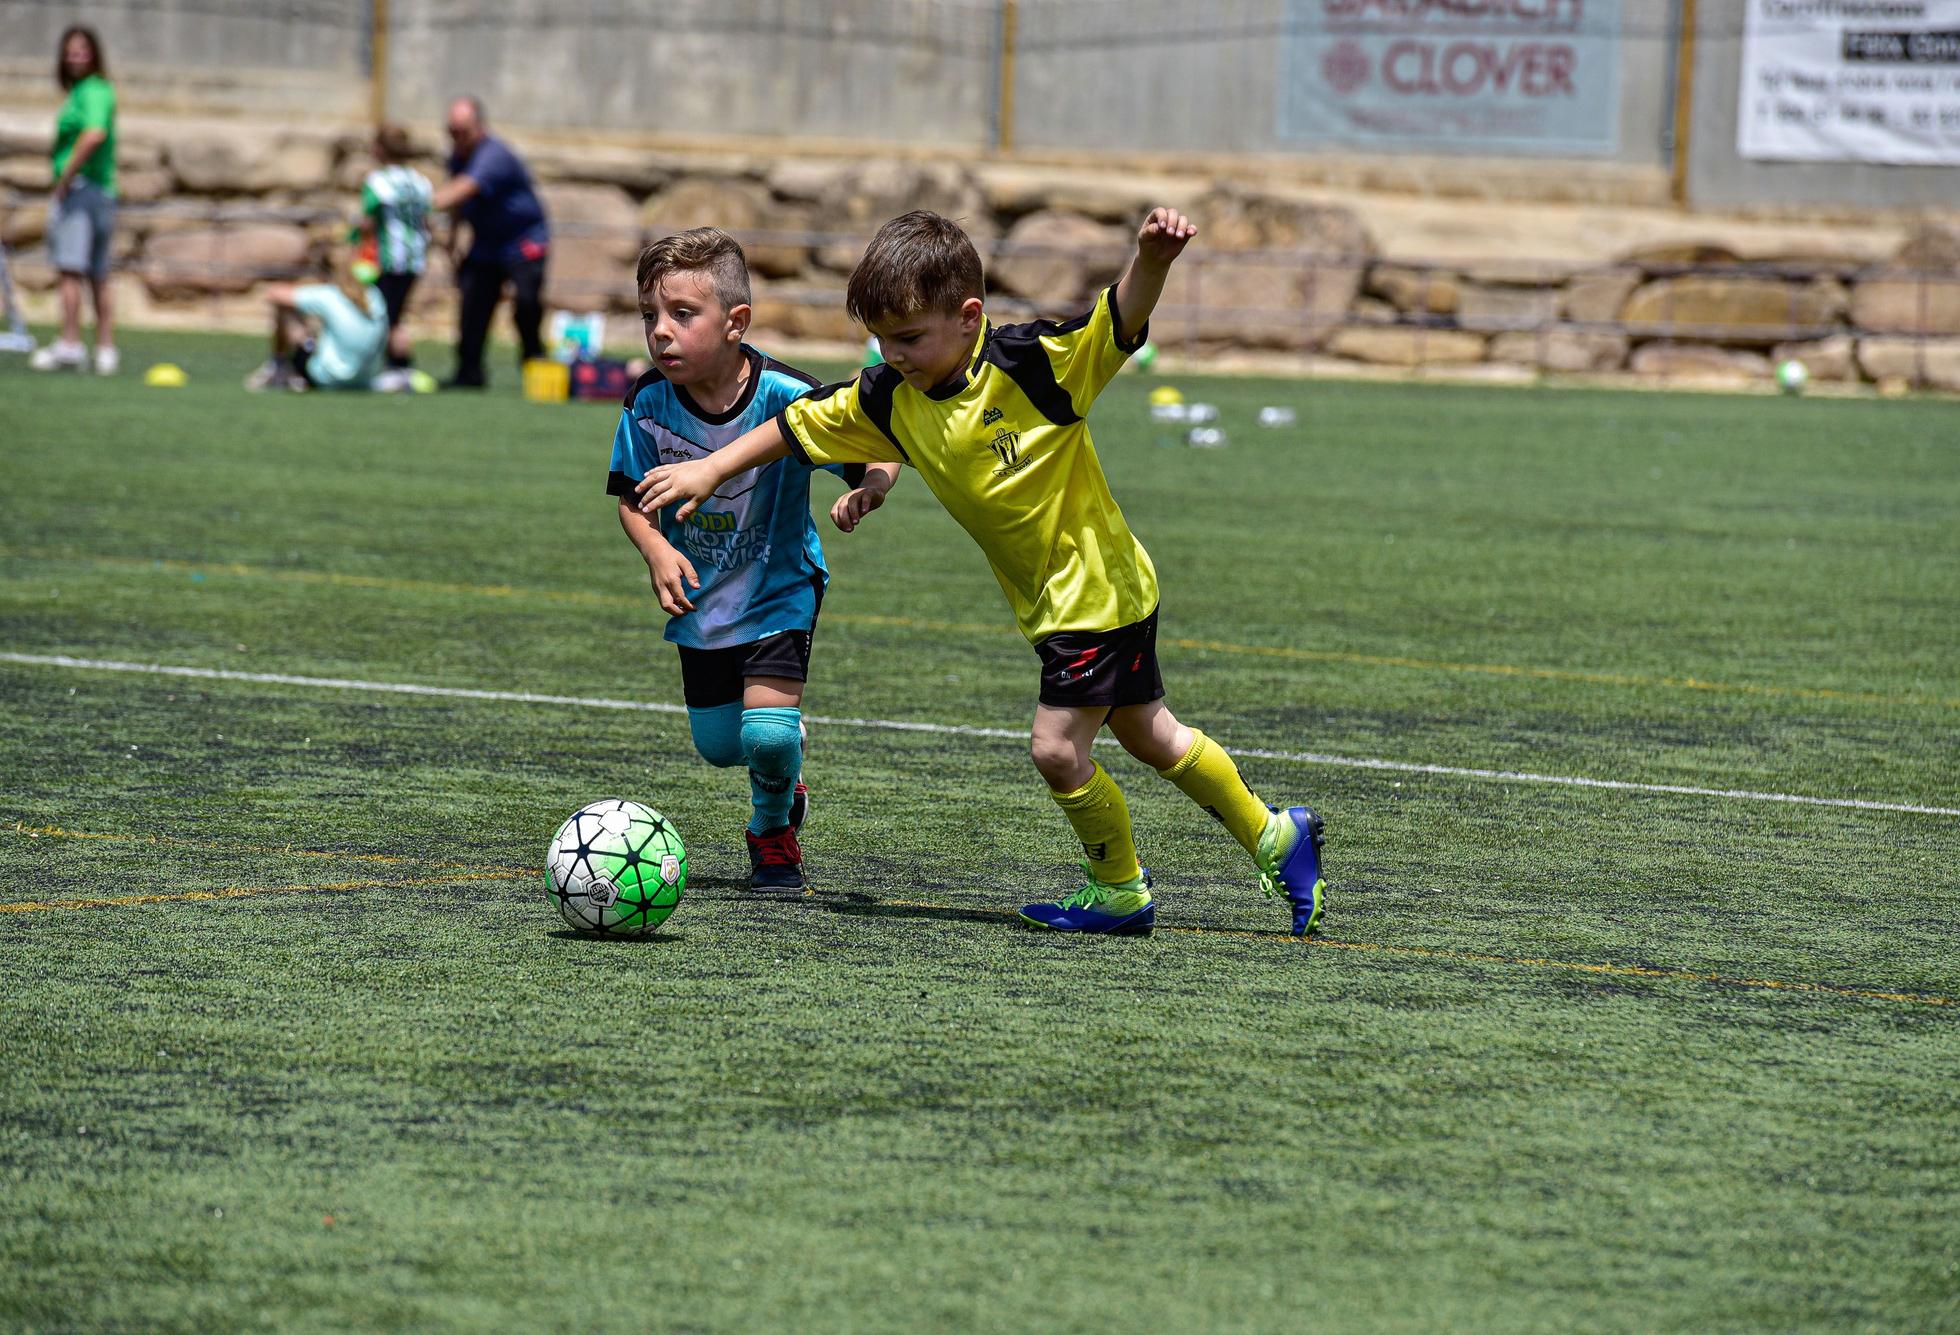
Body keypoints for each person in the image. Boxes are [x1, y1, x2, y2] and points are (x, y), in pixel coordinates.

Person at [634, 208, 1329, 937]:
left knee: (1057, 749)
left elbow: (1118, 319)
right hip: (1082, 595)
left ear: (969, 316)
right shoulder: (889, 397)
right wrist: (711, 469)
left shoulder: (1035, 365)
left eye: (909, 337)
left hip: (1091, 594)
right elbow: (796, 425)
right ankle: (1278, 837)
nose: (894, 354)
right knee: (1152, 734)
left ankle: (1121, 891)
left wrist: (1152, 258)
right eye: (882, 339)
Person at [609, 227, 900, 889]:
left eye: (682, 314)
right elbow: (631, 499)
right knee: (720, 746)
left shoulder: (786, 396)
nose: (660, 332)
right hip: (702, 596)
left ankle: (771, 831)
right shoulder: (647, 405)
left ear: (736, 322)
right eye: (650, 316)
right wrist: (656, 548)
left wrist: (871, 488)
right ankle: (785, 769)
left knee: (765, 734)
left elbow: (882, 445)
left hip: (779, 588)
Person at [432, 96, 548, 389]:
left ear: (478, 127)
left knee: (526, 304)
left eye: (462, 130)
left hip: (523, 240)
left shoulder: (493, 154)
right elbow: (460, 205)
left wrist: (417, 203)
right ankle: (468, 373)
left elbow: (463, 189)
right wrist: (453, 238)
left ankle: (534, 364)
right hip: (487, 244)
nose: (456, 136)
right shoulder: (458, 157)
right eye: (451, 130)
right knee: (472, 305)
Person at [31, 25, 118, 375]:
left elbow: (95, 133)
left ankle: (70, 344)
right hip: (102, 191)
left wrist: (66, 175)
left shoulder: (92, 91)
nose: (74, 56)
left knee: (71, 270)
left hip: (82, 191)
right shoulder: (90, 90)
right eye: (70, 50)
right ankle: (105, 350)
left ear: (95, 53)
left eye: (81, 50)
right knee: (97, 272)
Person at [244, 250, 388, 392]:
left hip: (327, 377)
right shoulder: (374, 294)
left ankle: (277, 364)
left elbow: (274, 293)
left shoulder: (328, 294)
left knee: (286, 309)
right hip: (366, 380)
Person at [355, 123, 433, 381]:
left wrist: (352, 242)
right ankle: (398, 365)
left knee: (384, 314)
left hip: (387, 258)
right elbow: (426, 220)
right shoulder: (420, 181)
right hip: (414, 257)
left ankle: (395, 366)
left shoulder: (378, 182)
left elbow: (367, 223)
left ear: (379, 149)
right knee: (397, 313)